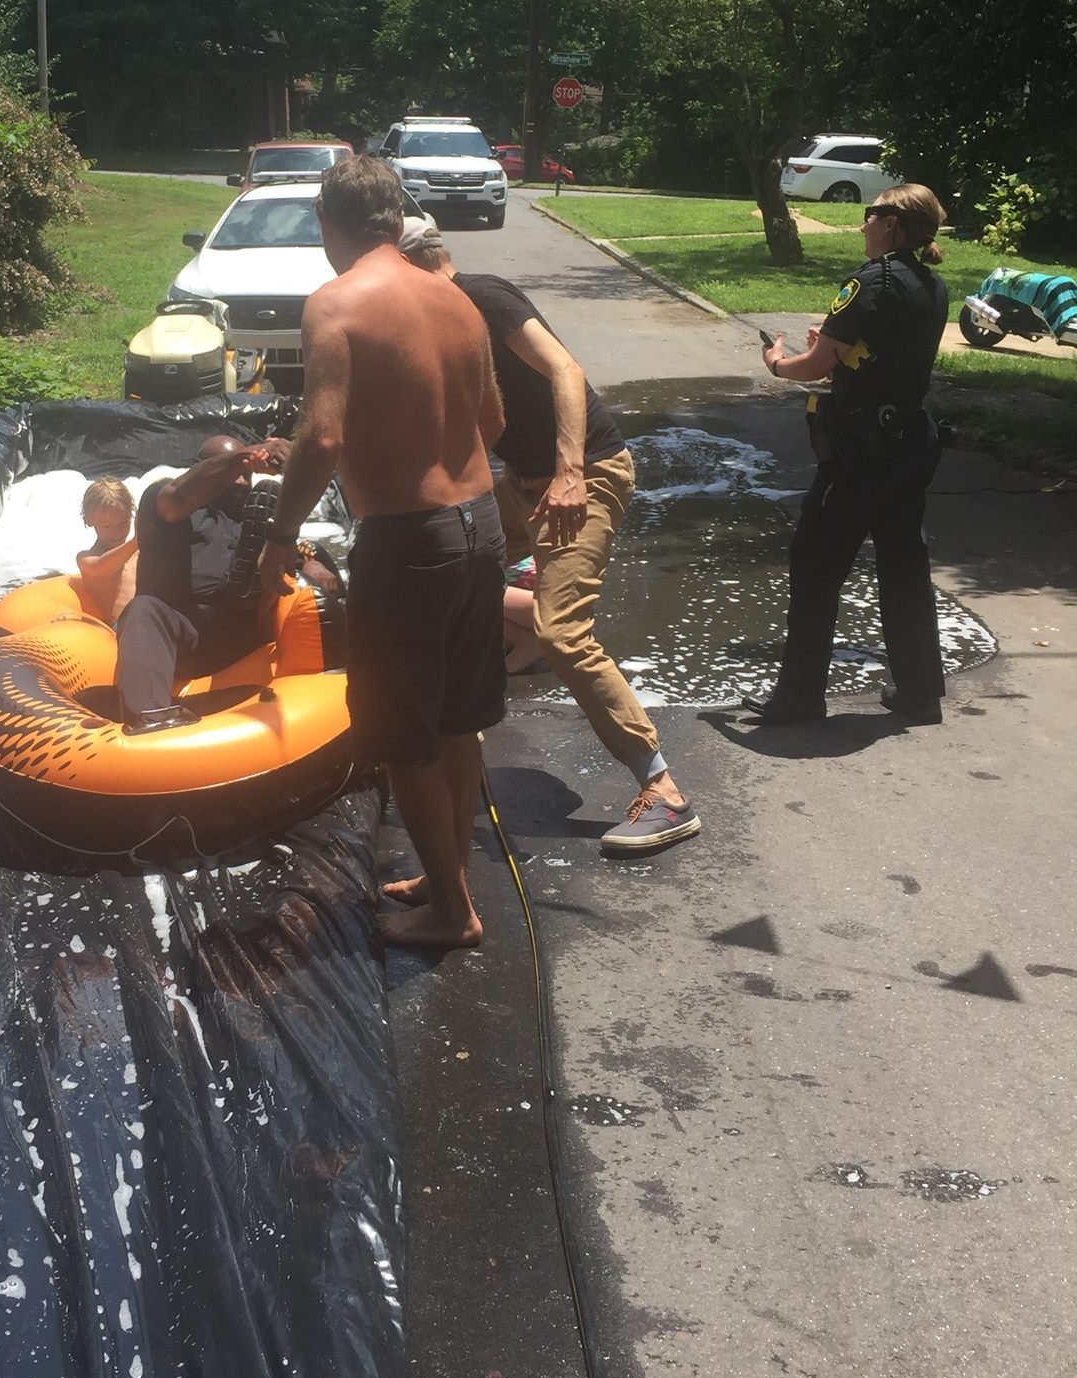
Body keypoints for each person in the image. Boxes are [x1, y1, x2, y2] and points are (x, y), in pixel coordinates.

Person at [260, 159, 506, 951]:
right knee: (461, 723)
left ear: (328, 224)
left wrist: (276, 535)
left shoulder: (336, 303)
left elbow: (321, 436)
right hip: (479, 525)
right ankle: (448, 879)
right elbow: (492, 420)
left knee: (402, 736)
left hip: (408, 541)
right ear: (396, 220)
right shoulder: (456, 300)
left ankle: (450, 914)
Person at [402, 231, 700, 853]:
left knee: (566, 631)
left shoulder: (483, 296)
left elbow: (567, 369)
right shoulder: (444, 318)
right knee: (454, 566)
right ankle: (515, 654)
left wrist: (569, 473)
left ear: (421, 262)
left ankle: (664, 792)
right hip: (523, 482)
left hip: (584, 474)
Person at [748, 183, 950, 727]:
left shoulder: (870, 282)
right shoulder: (933, 285)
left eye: (869, 217)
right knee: (904, 564)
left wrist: (778, 360)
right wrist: (837, 353)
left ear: (891, 224)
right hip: (908, 441)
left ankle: (799, 697)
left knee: (815, 564)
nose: (862, 226)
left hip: (860, 450)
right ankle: (920, 691)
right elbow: (877, 356)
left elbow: (813, 366)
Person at [116, 432, 291, 732]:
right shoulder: (165, 501)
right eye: (233, 473)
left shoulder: (256, 516)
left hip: (240, 631)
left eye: (246, 475)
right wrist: (243, 458)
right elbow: (180, 497)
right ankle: (149, 722)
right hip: (180, 630)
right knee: (144, 608)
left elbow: (294, 559)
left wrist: (315, 564)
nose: (240, 481)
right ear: (202, 468)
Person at [76, 476, 138, 624]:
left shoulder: (138, 553)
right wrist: (136, 542)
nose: (117, 532)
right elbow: (101, 567)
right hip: (118, 627)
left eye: (123, 523)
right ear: (90, 520)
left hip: (145, 616)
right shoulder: (87, 559)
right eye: (107, 526)